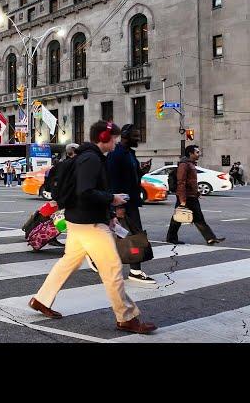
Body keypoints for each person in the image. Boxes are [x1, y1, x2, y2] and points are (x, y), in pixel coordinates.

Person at [28, 120, 157, 334]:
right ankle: (126, 317)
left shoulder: (87, 156)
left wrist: (109, 214)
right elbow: (85, 192)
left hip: (79, 221)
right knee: (113, 269)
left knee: (68, 262)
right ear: (104, 138)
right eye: (113, 138)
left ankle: (41, 299)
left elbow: (85, 191)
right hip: (90, 224)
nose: (116, 141)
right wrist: (112, 199)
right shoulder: (91, 159)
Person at [106, 124, 156, 285]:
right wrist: (118, 206)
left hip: (131, 201)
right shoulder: (116, 154)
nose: (138, 138)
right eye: (135, 135)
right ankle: (135, 271)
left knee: (122, 235)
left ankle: (97, 258)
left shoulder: (130, 154)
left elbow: (130, 177)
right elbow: (113, 180)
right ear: (125, 135)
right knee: (134, 235)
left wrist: (142, 171)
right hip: (123, 203)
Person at [166, 145, 226, 246]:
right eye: (197, 152)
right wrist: (182, 200)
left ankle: (210, 238)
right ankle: (171, 238)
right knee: (180, 217)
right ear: (190, 153)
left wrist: (196, 192)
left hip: (191, 195)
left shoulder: (191, 164)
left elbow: (191, 182)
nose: (199, 154)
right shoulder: (184, 165)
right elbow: (181, 182)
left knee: (194, 218)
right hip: (185, 196)